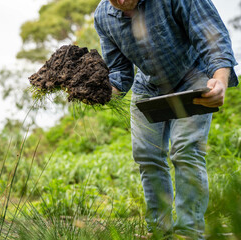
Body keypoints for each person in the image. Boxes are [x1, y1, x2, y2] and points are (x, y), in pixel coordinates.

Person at [94, 0, 238, 239]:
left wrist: (220, 80)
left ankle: (189, 232)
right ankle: (160, 231)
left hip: (192, 75)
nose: (120, 1)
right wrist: (94, 91)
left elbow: (212, 38)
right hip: (148, 85)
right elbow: (119, 72)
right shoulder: (103, 16)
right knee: (146, 155)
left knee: (185, 151)